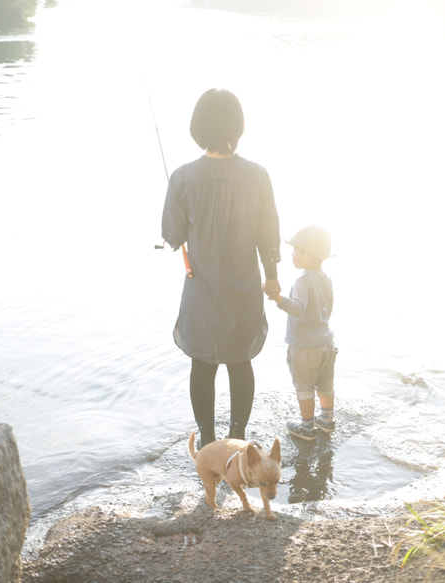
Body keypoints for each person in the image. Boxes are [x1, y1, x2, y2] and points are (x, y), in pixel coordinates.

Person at [161, 88, 281, 448]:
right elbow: (269, 233)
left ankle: (209, 444)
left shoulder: (182, 178)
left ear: (198, 128)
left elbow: (172, 234)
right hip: (243, 287)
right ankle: (239, 440)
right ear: (238, 126)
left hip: (201, 290)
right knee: (240, 362)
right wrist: (272, 277)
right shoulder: (258, 176)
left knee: (202, 364)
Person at [269, 225, 336, 441]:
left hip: (305, 347)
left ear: (308, 254)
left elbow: (298, 308)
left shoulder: (302, 282)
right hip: (326, 341)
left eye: (296, 250)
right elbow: (330, 306)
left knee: (304, 386)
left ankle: (307, 427)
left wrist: (278, 299)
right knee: (325, 383)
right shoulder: (325, 279)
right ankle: (326, 419)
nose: (292, 254)